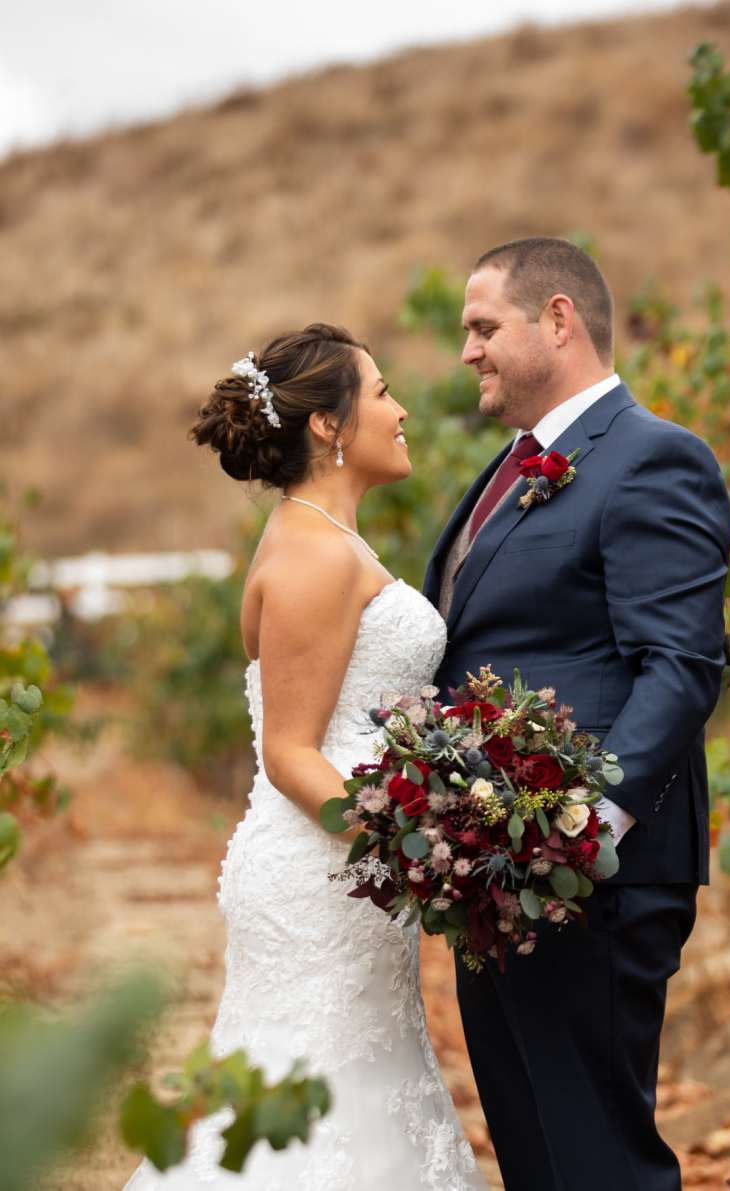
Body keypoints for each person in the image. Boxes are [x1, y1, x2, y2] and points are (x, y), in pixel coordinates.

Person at [122, 324, 485, 1191]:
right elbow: (289, 752)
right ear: (328, 424)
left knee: (341, 1103)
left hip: (340, 870)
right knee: (316, 1115)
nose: (400, 411)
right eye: (384, 390)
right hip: (326, 872)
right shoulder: (315, 553)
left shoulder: (325, 537)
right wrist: (404, 845)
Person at [423, 238, 730, 1191]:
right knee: (538, 1156)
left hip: (592, 874)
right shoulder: (509, 469)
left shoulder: (652, 458)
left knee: (597, 1160)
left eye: (484, 327)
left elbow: (679, 665)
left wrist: (583, 829)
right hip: (502, 876)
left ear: (557, 319)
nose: (467, 350)